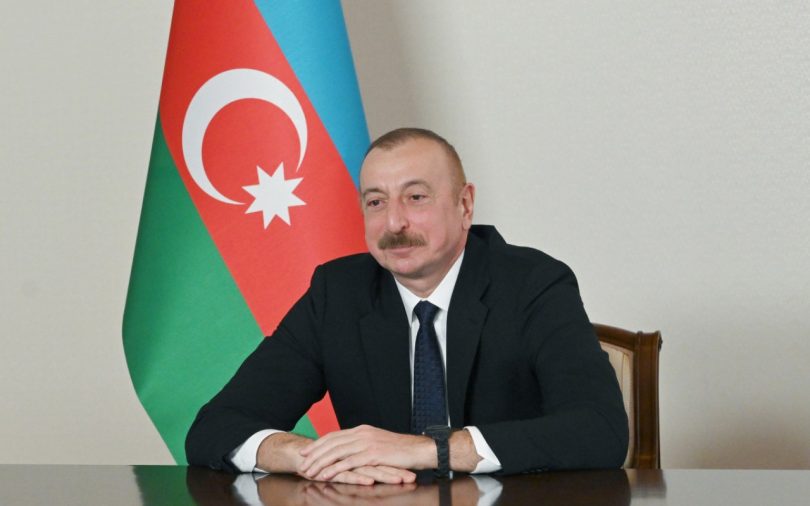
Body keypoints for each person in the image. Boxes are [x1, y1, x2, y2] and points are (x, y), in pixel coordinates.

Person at [186, 128, 628, 485]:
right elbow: (215, 427)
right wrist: (312, 456)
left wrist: (429, 450)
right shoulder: (337, 293)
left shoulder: (533, 283)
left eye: (416, 197)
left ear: (465, 205)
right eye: (376, 202)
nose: (394, 222)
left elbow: (600, 430)